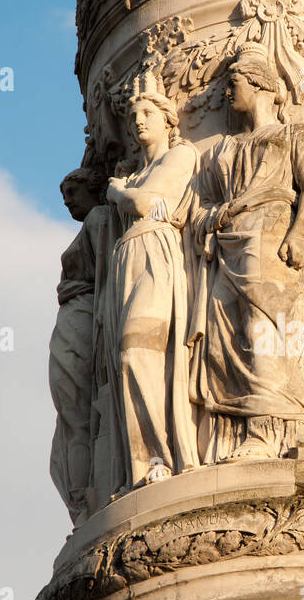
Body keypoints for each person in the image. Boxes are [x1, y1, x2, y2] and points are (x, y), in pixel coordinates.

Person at [189, 46, 304, 462]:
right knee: (222, 340)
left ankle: (268, 430)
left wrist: (301, 235)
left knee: (260, 329)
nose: (228, 93)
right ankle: (235, 430)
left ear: (262, 85)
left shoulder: (292, 135)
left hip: (269, 234)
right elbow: (201, 207)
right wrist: (216, 217)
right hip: (229, 240)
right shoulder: (221, 150)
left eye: (234, 84)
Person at [104, 87, 200, 490]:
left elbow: (146, 205)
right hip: (125, 259)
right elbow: (141, 199)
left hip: (156, 250)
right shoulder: (136, 174)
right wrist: (131, 193)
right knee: (123, 360)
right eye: (132, 116)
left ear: (168, 120)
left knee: (136, 350)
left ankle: (164, 454)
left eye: (147, 112)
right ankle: (140, 467)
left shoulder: (181, 155)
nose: (138, 121)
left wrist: (117, 192)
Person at [48, 167, 109, 524]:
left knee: (78, 414)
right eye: (64, 194)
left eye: (73, 191)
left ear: (93, 188)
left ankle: (85, 500)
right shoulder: (93, 221)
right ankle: (81, 502)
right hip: (72, 317)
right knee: (71, 416)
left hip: (84, 315)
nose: (67, 200)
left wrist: (104, 318)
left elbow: (106, 274)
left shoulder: (99, 218)